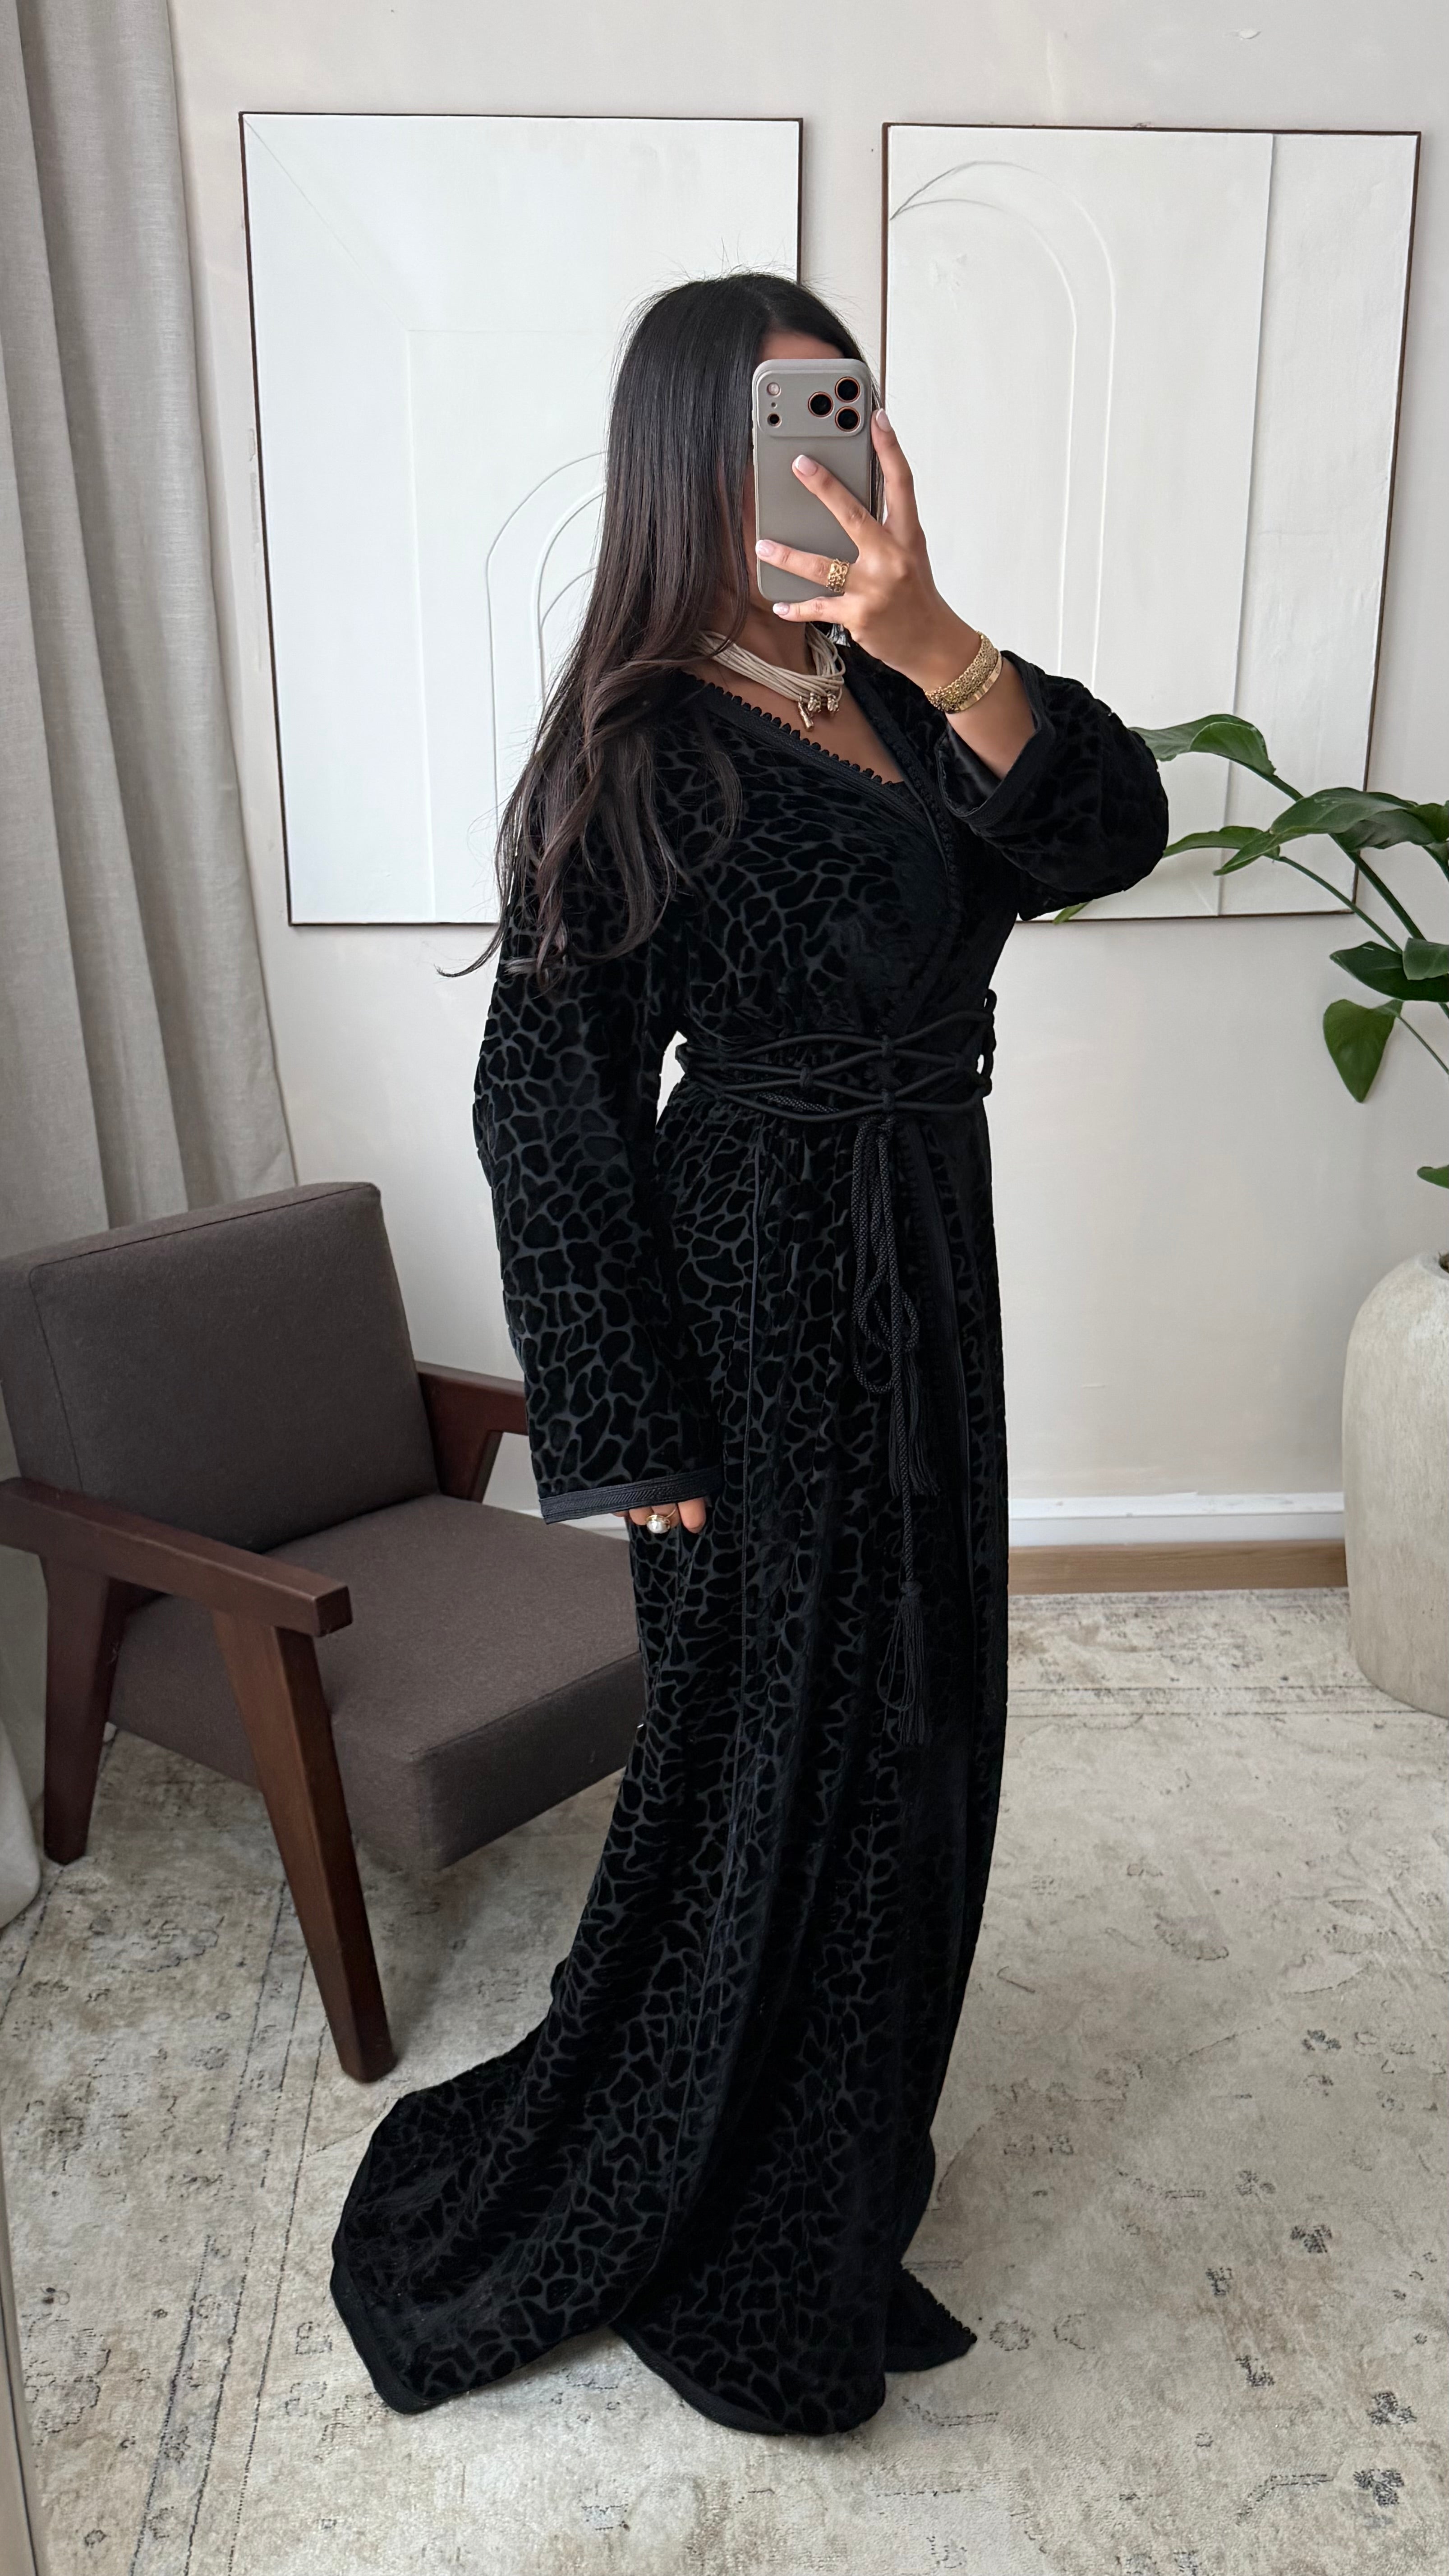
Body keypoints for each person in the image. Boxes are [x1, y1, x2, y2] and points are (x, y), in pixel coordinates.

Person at [330, 272, 1169, 2437]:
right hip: (759, 1291)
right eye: (791, 421)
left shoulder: (903, 685)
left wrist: (937, 635)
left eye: (850, 410)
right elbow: (548, 1098)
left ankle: (846, 2134)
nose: (833, 455)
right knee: (778, 1753)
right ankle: (739, 2198)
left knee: (928, 1721)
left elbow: (1112, 833)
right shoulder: (633, 746)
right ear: (695, 456)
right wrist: (624, 1427)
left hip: (930, 1261)